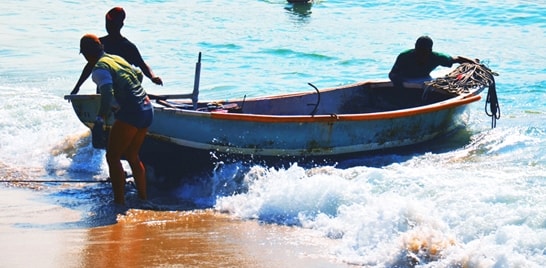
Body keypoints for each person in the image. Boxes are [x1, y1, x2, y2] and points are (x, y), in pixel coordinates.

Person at [79, 33, 153, 205]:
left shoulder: (99, 69)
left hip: (132, 113)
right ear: (101, 47)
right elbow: (138, 75)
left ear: (85, 54)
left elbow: (106, 93)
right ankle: (143, 198)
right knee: (132, 155)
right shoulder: (116, 59)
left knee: (112, 157)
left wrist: (100, 118)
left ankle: (119, 203)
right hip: (147, 108)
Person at [71, 7, 162, 95]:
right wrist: (77, 87)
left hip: (123, 92)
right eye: (107, 24)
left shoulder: (128, 47)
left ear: (121, 24)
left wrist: (153, 77)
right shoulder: (99, 44)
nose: (109, 27)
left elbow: (142, 65)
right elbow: (89, 66)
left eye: (112, 24)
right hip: (104, 91)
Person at [389, 36, 476, 88]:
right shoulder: (404, 56)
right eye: (418, 50)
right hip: (405, 80)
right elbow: (392, 74)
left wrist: (475, 64)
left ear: (430, 50)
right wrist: (400, 86)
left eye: (424, 51)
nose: (420, 54)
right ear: (415, 47)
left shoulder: (436, 57)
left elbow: (458, 59)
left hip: (424, 79)